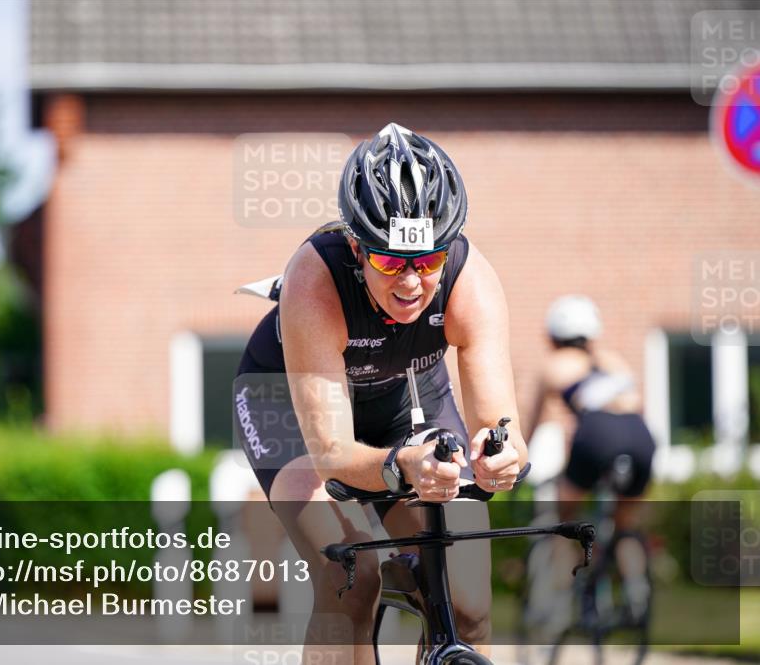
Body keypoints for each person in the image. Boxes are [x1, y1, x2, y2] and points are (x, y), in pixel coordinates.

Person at [233, 123, 527, 664]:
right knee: (349, 568)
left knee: (469, 603)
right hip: (288, 408)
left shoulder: (471, 280)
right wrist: (401, 466)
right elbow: (333, 457)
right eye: (390, 261)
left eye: (429, 259)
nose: (412, 282)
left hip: (402, 402)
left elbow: (500, 426)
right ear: (355, 244)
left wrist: (500, 457)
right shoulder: (316, 279)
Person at [525, 295, 656, 618]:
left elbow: (530, 422)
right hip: (640, 438)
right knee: (623, 524)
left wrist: (519, 463)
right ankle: (637, 591)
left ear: (552, 335)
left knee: (562, 521)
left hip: (596, 436)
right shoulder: (613, 361)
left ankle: (556, 604)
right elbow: (638, 407)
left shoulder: (553, 365)